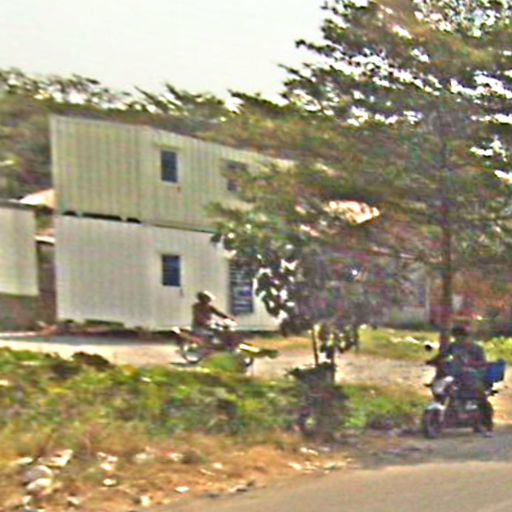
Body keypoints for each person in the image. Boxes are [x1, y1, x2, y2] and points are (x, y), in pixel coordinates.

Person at [429, 325, 493, 434]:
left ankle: (487, 423)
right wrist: (433, 361)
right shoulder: (453, 346)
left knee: (479, 396)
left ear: (467, 337)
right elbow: (442, 355)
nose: (459, 339)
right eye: (456, 337)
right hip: (456, 375)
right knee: (442, 386)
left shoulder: (476, 348)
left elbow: (483, 363)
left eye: (462, 337)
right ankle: (447, 412)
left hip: (473, 375)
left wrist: (473, 364)